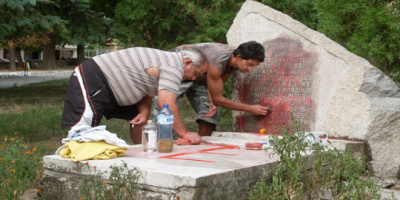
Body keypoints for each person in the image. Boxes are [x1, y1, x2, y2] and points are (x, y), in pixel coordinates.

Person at [61, 47, 208, 145]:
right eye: (196, 73)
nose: (194, 79)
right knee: (82, 130)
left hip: (111, 86)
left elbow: (147, 90)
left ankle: (143, 155)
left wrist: (144, 112)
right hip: (94, 78)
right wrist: (184, 133)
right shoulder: (175, 67)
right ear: (187, 63)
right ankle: (72, 165)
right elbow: (166, 105)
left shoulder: (168, 62)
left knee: (139, 119)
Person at [151, 41, 268, 136]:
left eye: (254, 66)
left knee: (211, 111)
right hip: (181, 70)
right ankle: (158, 144)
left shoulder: (235, 62)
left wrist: (211, 101)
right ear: (238, 57)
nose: (250, 69)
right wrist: (251, 108)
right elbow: (219, 99)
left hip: (200, 76)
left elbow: (217, 84)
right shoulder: (218, 61)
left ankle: (202, 144)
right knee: (166, 109)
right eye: (250, 64)